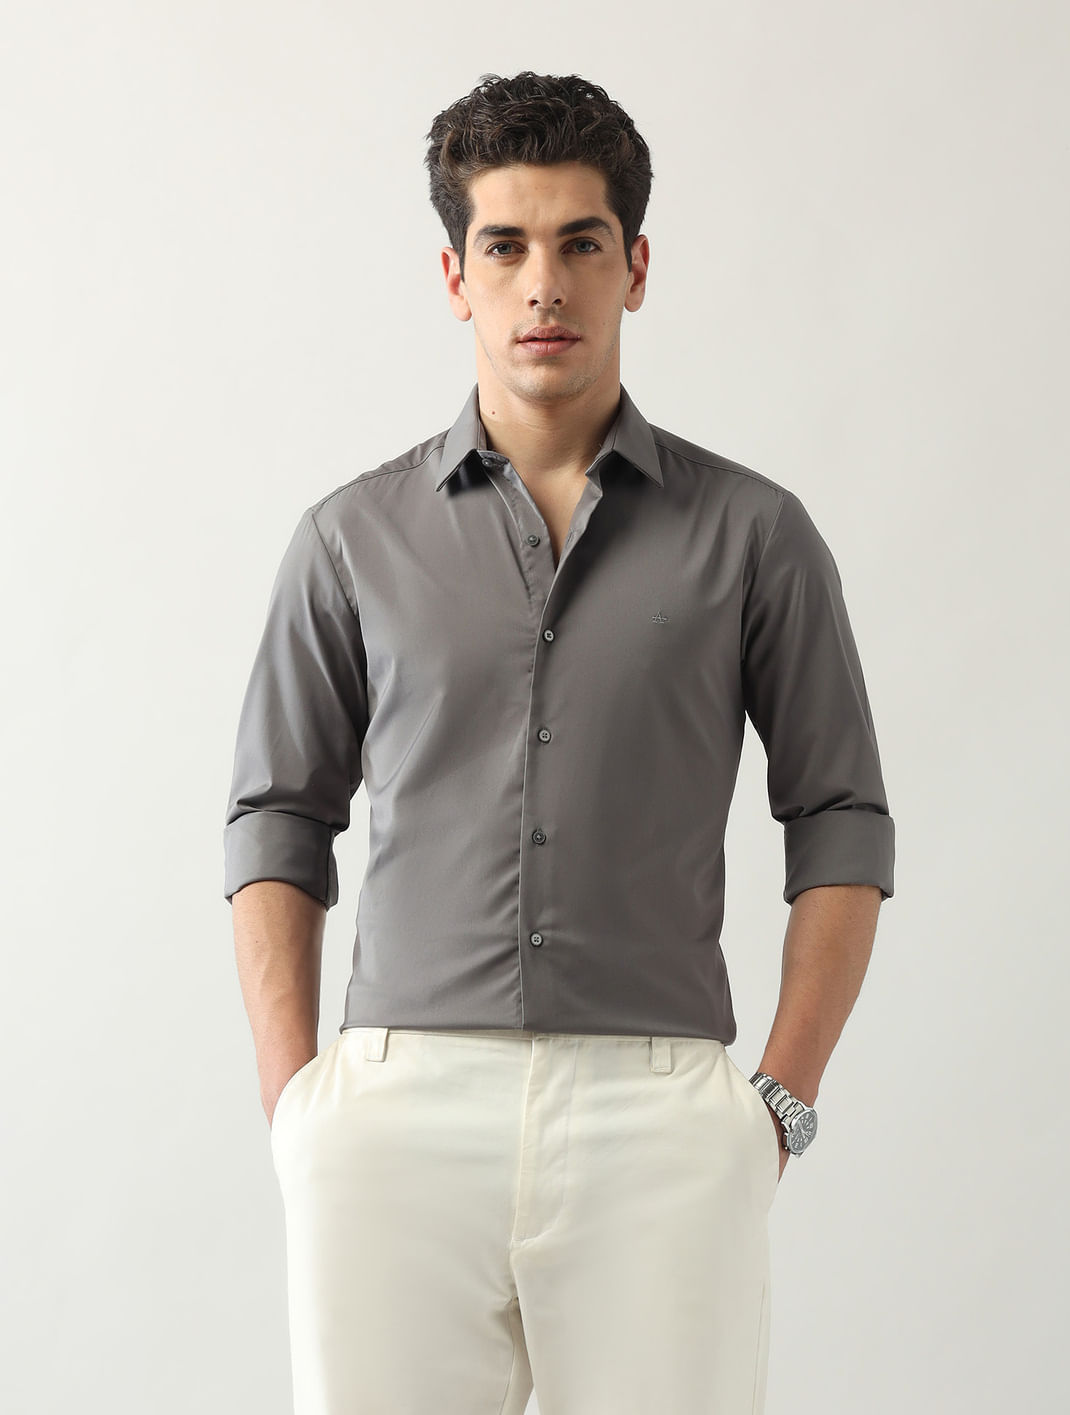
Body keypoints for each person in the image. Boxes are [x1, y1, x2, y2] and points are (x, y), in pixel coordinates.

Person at [223, 69, 895, 1415]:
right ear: (454, 276)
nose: (544, 285)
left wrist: (778, 1101)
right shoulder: (350, 539)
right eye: (505, 246)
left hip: (660, 1116)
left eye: (580, 243)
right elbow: (278, 816)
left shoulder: (754, 535)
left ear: (634, 267)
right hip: (395, 1118)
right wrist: (296, 1102)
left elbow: (840, 819)